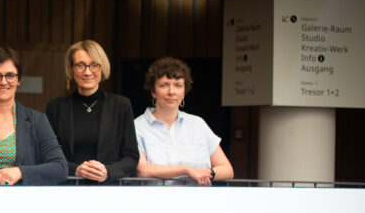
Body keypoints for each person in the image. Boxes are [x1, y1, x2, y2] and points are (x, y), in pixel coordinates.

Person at [0, 47, 67, 185]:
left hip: (20, 199)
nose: (3, 82)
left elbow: (60, 168)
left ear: (18, 79)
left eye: (10, 75)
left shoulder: (37, 121)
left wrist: (21, 172)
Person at [45, 40, 138, 184]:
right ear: (71, 69)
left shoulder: (121, 106)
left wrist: (108, 172)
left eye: (94, 65)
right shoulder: (56, 107)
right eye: (80, 65)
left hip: (109, 190)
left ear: (102, 68)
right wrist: (76, 170)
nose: (87, 72)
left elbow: (131, 157)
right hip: (69, 188)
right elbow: (49, 155)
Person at [134, 56, 234, 185]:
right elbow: (142, 170)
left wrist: (206, 173)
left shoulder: (198, 124)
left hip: (198, 197)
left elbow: (227, 169)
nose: (171, 92)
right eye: (164, 85)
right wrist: (187, 170)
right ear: (153, 91)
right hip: (158, 197)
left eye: (178, 85)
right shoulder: (137, 126)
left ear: (183, 92)